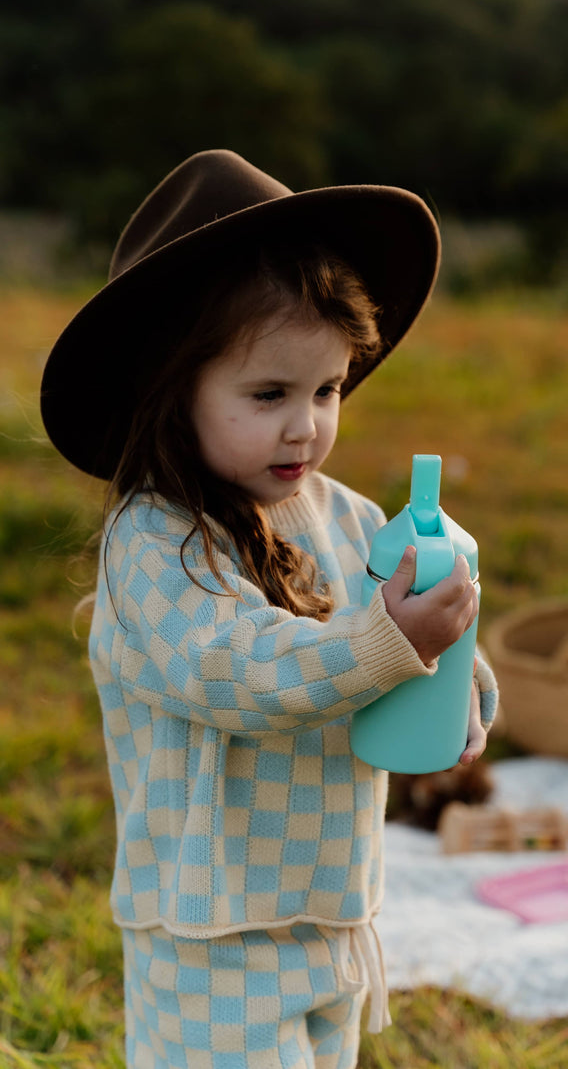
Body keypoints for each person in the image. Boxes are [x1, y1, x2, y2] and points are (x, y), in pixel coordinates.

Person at [40, 149, 498, 1069]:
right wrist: (388, 644)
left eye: (326, 389)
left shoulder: (346, 515)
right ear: (172, 390)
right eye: (269, 394)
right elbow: (239, 670)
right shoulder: (154, 546)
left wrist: (462, 689)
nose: (307, 426)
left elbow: (415, 645)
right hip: (212, 929)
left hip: (330, 901)